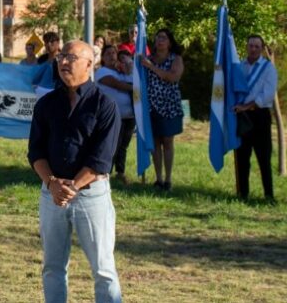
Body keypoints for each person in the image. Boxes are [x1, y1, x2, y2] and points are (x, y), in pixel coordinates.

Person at [28, 40, 122, 303]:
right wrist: (51, 184)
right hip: (52, 195)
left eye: (71, 57)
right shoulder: (46, 104)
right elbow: (36, 152)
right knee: (53, 267)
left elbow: (101, 159)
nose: (64, 62)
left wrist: (70, 188)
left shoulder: (104, 105)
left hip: (91, 196)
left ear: (89, 65)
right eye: (61, 57)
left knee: (103, 270)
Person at [233, 35, 278, 201]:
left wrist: (247, 106)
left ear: (262, 48)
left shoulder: (268, 68)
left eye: (257, 46)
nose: (253, 49)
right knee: (242, 157)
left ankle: (269, 195)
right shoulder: (239, 67)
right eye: (250, 46)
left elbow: (267, 96)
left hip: (260, 116)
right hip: (242, 116)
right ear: (247, 47)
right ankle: (243, 193)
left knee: (263, 157)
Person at [141, 28, 184, 191]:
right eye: (158, 37)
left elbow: (173, 77)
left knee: (167, 141)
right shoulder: (148, 59)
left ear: (170, 42)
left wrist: (151, 67)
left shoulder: (176, 59)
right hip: (152, 107)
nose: (160, 40)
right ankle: (158, 178)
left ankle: (168, 179)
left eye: (164, 38)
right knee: (155, 142)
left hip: (169, 106)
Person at [96, 45, 136, 185]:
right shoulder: (101, 72)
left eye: (114, 53)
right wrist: (136, 87)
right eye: (108, 53)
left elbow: (132, 74)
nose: (112, 55)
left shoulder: (122, 72)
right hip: (113, 116)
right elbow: (118, 85)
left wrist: (127, 65)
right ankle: (106, 172)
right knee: (112, 145)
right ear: (102, 57)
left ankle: (120, 172)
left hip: (129, 116)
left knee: (123, 146)